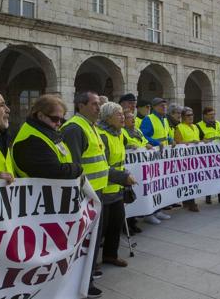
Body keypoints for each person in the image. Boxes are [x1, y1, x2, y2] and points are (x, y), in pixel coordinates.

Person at [61, 91, 108, 298]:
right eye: (94, 104)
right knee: (86, 240)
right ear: (81, 106)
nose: (99, 108)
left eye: (99, 104)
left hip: (97, 191)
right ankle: (83, 284)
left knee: (95, 239)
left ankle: (87, 275)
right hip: (85, 194)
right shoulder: (74, 128)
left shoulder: (90, 126)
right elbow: (75, 165)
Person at [97, 102, 137, 268]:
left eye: (122, 114)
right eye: (118, 114)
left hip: (117, 189)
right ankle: (91, 262)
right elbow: (102, 165)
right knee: (101, 229)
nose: (123, 117)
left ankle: (110, 255)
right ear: (107, 118)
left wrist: (124, 174)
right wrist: (123, 177)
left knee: (116, 224)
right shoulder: (102, 135)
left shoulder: (119, 134)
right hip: (103, 190)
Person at [11, 94, 81, 179]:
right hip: (39, 191)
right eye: (55, 119)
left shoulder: (47, 131)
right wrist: (77, 169)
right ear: (40, 115)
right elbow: (56, 171)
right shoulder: (31, 141)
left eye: (62, 120)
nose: (59, 123)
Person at [138, 97, 173, 223]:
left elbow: (166, 134)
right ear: (154, 107)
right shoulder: (149, 119)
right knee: (152, 184)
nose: (164, 107)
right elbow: (143, 135)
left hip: (163, 156)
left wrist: (170, 140)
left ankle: (158, 210)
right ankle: (149, 213)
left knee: (160, 185)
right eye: (161, 105)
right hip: (153, 156)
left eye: (165, 105)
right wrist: (156, 143)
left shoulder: (164, 119)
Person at [122, 109, 151, 235]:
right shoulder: (122, 132)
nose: (133, 120)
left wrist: (148, 145)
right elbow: (122, 146)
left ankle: (133, 223)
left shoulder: (137, 131)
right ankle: (126, 225)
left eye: (133, 117)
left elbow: (144, 141)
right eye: (129, 118)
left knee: (137, 195)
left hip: (140, 167)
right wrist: (129, 147)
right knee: (128, 197)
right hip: (130, 168)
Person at [198, 106, 220, 204]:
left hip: (219, 154)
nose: (212, 117)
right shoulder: (199, 126)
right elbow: (197, 140)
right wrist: (202, 141)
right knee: (209, 176)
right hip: (207, 156)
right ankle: (208, 196)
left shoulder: (218, 123)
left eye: (213, 114)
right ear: (204, 116)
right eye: (210, 115)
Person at [174, 107, 201, 212]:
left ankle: (186, 201)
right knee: (188, 180)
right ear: (183, 117)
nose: (191, 117)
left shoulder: (195, 127)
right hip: (184, 158)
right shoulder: (179, 127)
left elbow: (198, 141)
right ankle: (191, 203)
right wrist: (190, 142)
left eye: (192, 114)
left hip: (195, 158)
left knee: (192, 179)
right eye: (188, 115)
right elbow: (178, 142)